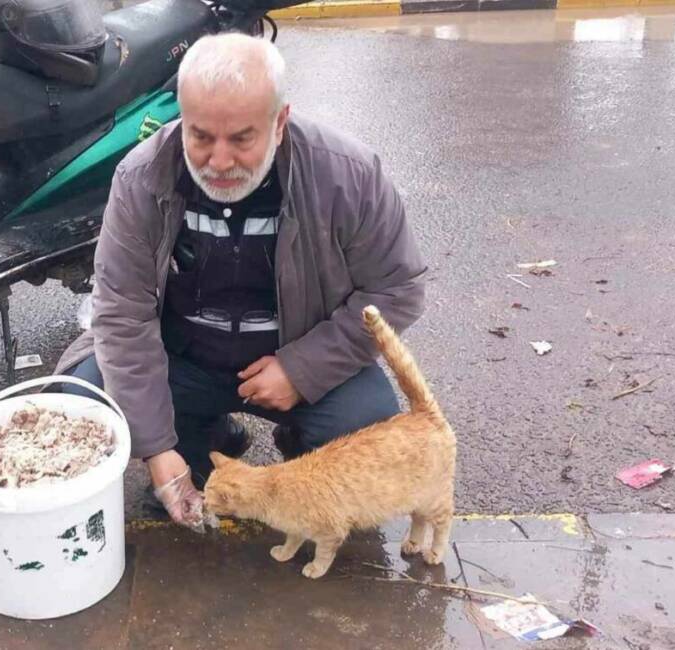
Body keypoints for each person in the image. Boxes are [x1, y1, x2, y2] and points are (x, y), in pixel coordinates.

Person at [55, 33, 427, 528]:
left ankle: (299, 453)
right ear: (181, 120)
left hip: (296, 360)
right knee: (80, 406)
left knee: (367, 431)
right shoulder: (141, 178)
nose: (220, 161)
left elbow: (397, 289)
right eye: (201, 136)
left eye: (242, 139)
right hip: (182, 362)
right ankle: (205, 438)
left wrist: (302, 369)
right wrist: (158, 450)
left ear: (280, 122)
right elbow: (121, 313)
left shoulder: (349, 176)